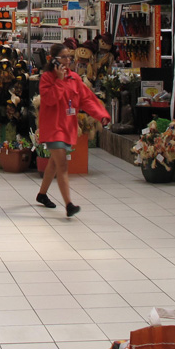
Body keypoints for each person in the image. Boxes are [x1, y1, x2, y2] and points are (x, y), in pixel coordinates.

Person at [36, 43, 110, 218]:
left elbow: (87, 99)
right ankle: (69, 204)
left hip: (67, 127)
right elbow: (50, 100)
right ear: (54, 60)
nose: (67, 60)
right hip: (53, 128)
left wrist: (101, 115)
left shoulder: (75, 78)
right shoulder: (47, 78)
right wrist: (59, 80)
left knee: (54, 163)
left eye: (69, 57)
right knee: (62, 164)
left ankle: (42, 194)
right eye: (63, 57)